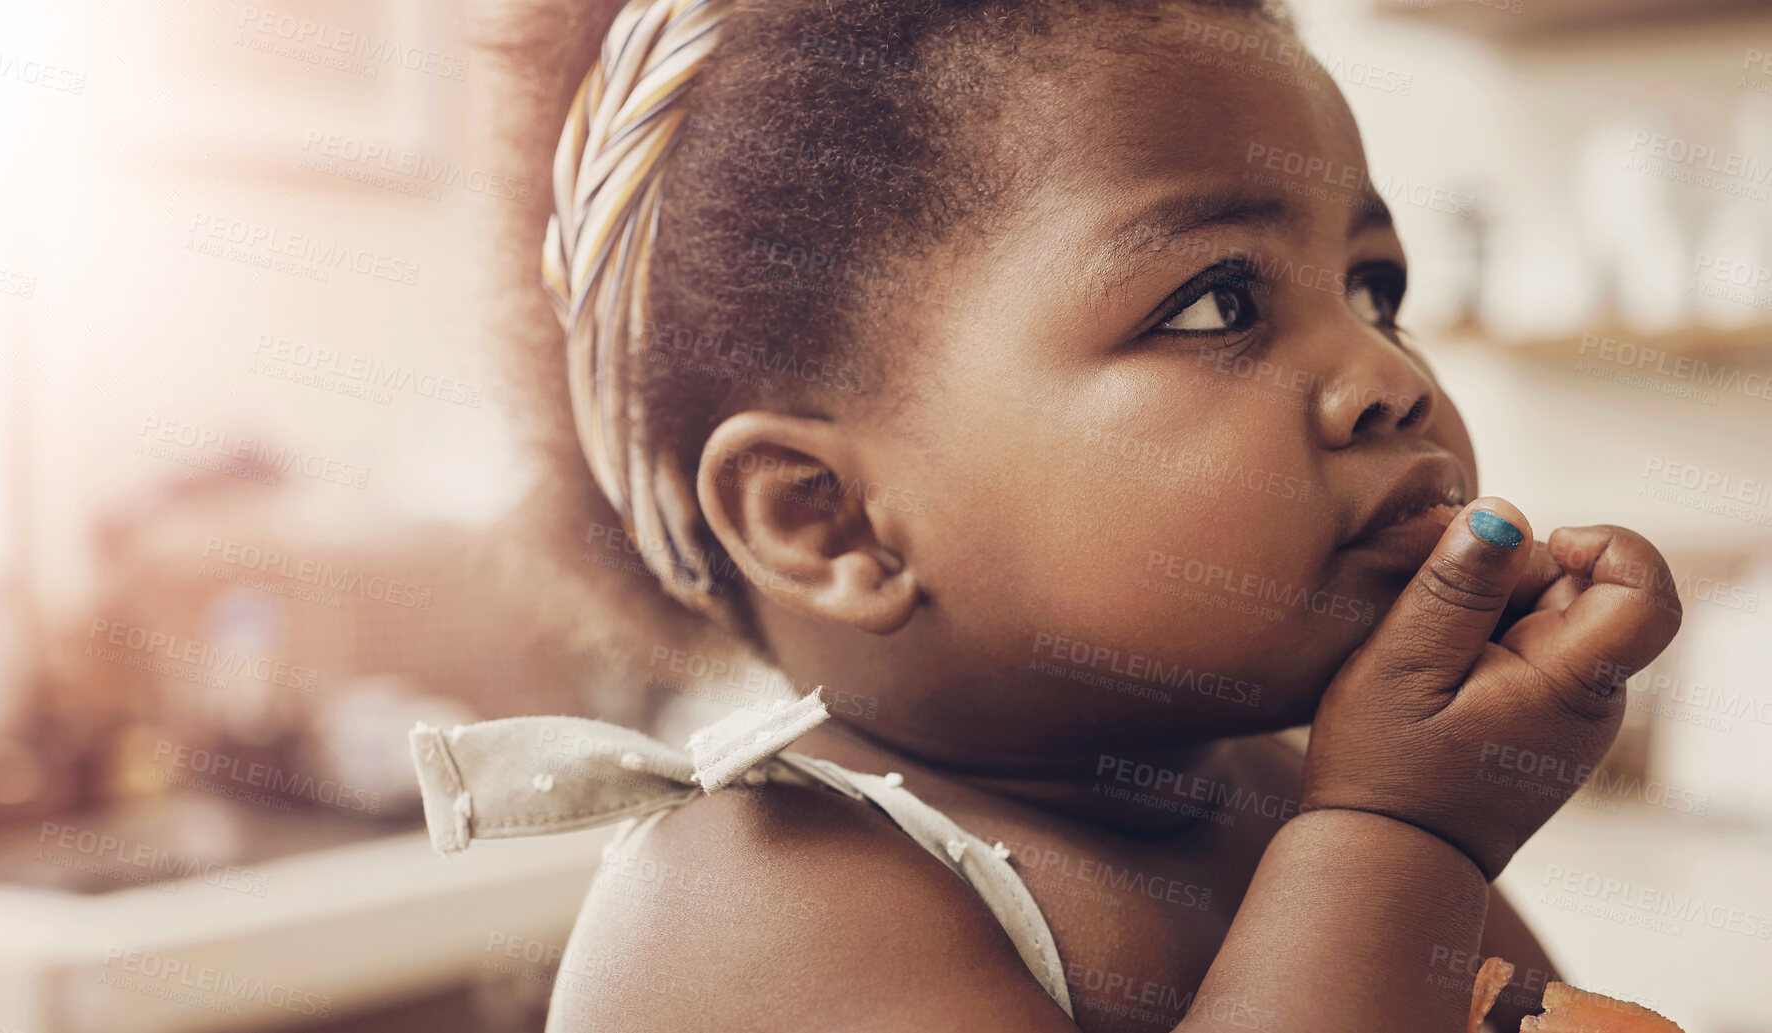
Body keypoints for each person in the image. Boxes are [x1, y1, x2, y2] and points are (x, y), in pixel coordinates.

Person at [413, 0, 1684, 1028]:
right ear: (829, 524)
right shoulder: (760, 898)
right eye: (1217, 307)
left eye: (1374, 288)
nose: (1390, 380)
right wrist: (1404, 834)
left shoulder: (1280, 795)